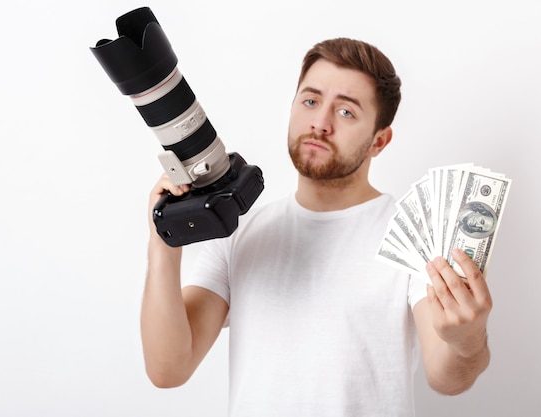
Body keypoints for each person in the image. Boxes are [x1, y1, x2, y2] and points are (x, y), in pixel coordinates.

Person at [141, 37, 492, 416]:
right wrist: (164, 241)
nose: (320, 123)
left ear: (380, 141)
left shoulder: (414, 235)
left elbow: (447, 377)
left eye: (346, 112)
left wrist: (467, 342)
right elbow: (168, 369)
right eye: (311, 101)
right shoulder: (239, 231)